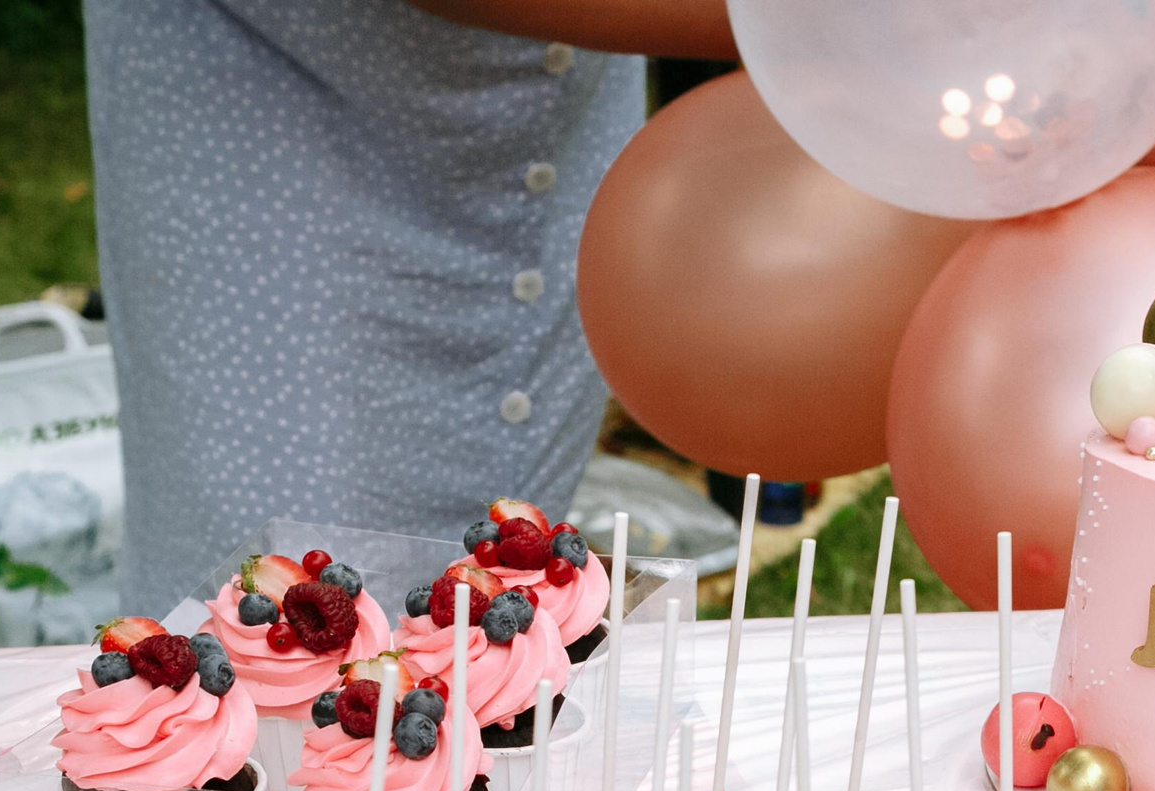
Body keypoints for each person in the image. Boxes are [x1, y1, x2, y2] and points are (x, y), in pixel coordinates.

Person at [81, 0, 730, 616]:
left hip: (556, 116)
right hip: (275, 118)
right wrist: (794, 27)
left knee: (504, 617)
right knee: (279, 624)